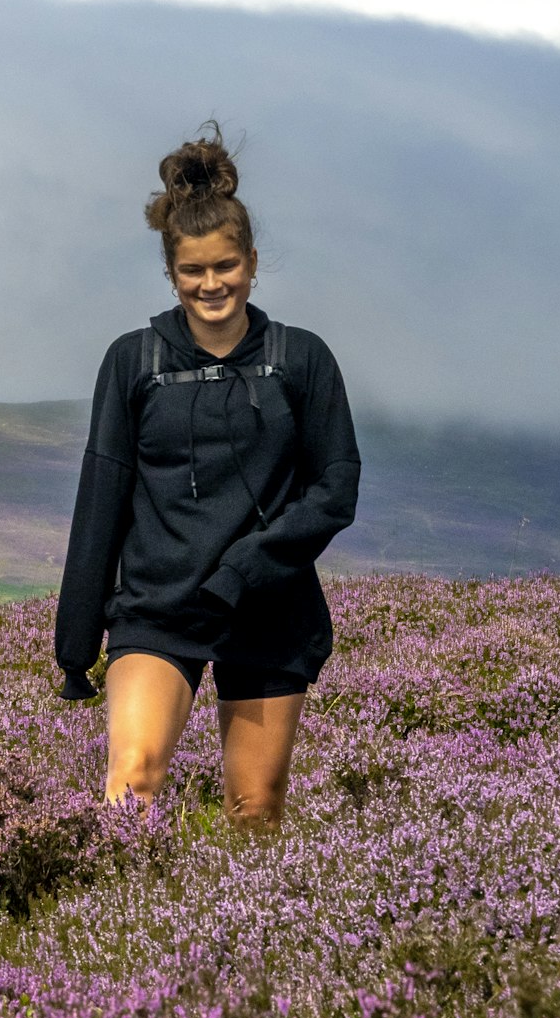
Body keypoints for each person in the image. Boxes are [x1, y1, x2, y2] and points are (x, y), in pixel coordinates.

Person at [51, 127, 360, 823]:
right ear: (170, 272)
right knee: (132, 783)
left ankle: (249, 933)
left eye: (226, 266)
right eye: (194, 271)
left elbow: (336, 487)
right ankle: (123, 923)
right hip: (159, 609)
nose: (211, 283)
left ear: (251, 261)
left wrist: (249, 567)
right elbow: (102, 498)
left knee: (256, 810)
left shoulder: (301, 360)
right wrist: (76, 646)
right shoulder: (132, 361)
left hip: (270, 608)